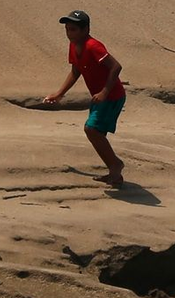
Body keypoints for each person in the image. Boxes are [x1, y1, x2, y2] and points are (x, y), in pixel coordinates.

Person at [42, 10, 127, 188]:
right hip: (100, 98)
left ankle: (116, 166)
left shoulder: (93, 46)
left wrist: (104, 91)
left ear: (85, 29)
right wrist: (59, 94)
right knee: (95, 133)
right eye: (67, 29)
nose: (69, 33)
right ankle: (114, 171)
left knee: (91, 129)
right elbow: (76, 71)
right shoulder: (74, 46)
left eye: (73, 29)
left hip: (111, 96)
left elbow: (116, 67)